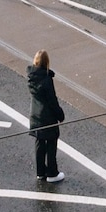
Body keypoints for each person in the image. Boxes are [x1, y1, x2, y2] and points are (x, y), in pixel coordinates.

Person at [27, 49, 65, 184]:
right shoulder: (47, 79)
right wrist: (60, 115)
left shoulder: (32, 77)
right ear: (46, 62)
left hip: (35, 116)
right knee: (51, 144)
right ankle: (52, 173)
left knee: (39, 144)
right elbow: (52, 101)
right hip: (47, 117)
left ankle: (40, 172)